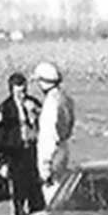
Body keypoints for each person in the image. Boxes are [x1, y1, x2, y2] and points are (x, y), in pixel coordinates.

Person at [0, 71, 44, 215]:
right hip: (15, 153)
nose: (22, 95)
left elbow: (43, 123)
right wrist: (2, 161)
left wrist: (34, 115)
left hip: (32, 151)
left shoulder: (33, 103)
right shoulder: (5, 108)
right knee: (19, 191)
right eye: (18, 92)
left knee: (35, 190)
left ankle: (37, 213)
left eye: (24, 91)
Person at [34, 61, 75, 195]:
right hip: (64, 149)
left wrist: (45, 167)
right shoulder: (65, 98)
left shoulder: (51, 103)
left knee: (52, 193)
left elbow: (49, 135)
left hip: (53, 153)